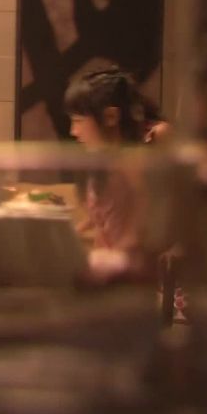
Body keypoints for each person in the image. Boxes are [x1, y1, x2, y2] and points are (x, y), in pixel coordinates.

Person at [65, 67, 168, 282]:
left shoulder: (143, 155)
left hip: (142, 282)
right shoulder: (103, 162)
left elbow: (142, 235)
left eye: (79, 121)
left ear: (111, 117)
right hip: (114, 276)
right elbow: (102, 228)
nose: (73, 132)